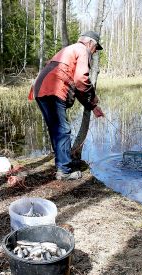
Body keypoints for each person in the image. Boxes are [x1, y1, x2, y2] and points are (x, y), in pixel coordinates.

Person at [29, 31, 105, 181]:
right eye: (96, 48)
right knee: (63, 129)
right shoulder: (83, 50)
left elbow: (76, 87)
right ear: (90, 43)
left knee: (56, 129)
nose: (95, 52)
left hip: (40, 89)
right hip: (53, 89)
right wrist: (94, 96)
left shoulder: (70, 49)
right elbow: (81, 80)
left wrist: (92, 107)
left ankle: (62, 165)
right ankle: (64, 170)